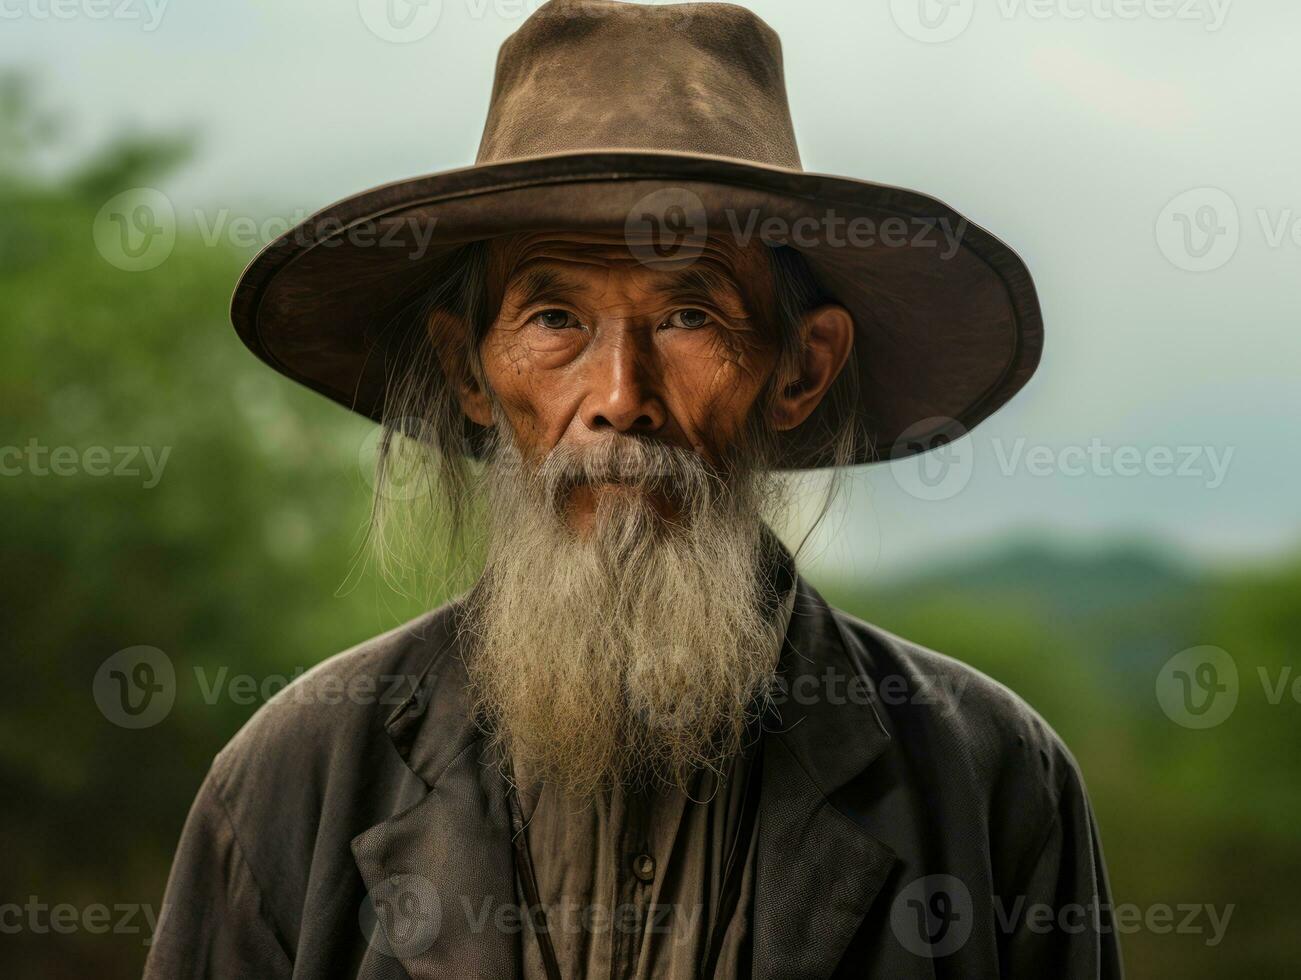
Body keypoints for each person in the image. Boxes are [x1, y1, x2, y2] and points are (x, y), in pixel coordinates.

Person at [146, 1, 1121, 977]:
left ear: (800, 368)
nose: (619, 398)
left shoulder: (991, 782)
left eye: (690, 313)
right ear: (465, 371)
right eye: (554, 316)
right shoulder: (291, 784)